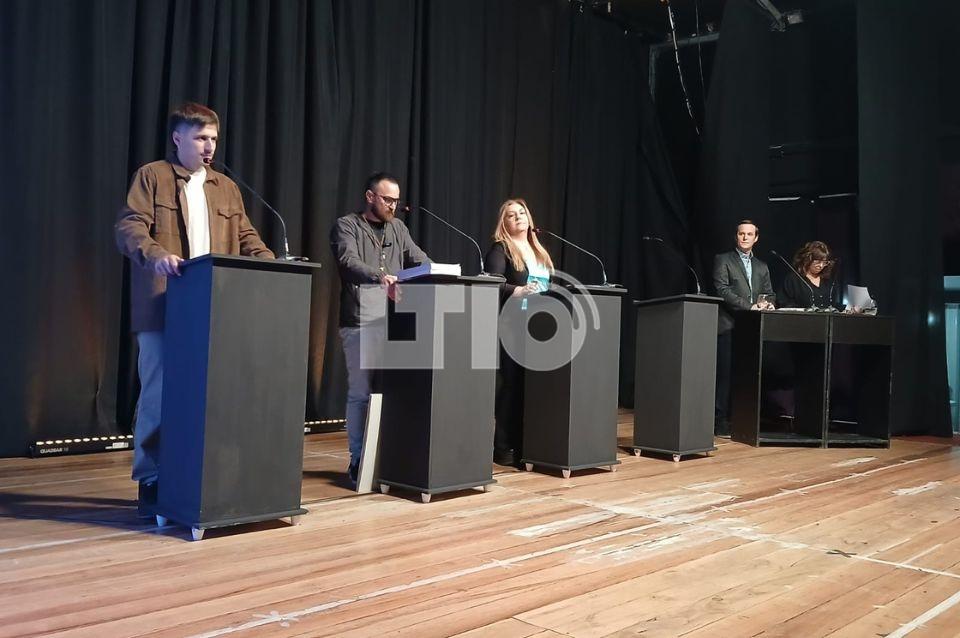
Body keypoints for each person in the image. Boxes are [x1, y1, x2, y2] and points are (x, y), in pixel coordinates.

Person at [115, 102, 275, 515]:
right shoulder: (152, 176)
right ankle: (151, 477)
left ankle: (203, 475)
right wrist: (156, 256)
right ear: (178, 138)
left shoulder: (226, 187)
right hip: (163, 301)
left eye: (213, 139)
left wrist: (272, 264)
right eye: (201, 137)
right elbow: (130, 226)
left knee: (211, 393)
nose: (209, 146)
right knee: (159, 393)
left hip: (214, 304)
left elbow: (246, 236)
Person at [330, 172, 430, 484]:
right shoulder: (347, 225)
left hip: (396, 322)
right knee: (361, 392)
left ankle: (390, 458)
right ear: (370, 197)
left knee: (396, 393)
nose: (393, 206)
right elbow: (348, 261)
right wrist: (379, 276)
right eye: (387, 199)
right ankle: (358, 459)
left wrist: (436, 272)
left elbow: (419, 260)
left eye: (396, 201)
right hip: (361, 319)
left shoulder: (398, 228)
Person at [484, 198, 554, 467]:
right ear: (504, 223)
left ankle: (528, 444)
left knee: (533, 386)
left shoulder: (539, 251)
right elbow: (492, 284)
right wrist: (518, 290)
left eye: (522, 213)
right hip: (512, 325)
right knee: (512, 385)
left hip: (539, 326)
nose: (518, 217)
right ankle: (503, 447)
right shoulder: (501, 248)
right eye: (511, 215)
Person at [712, 219, 774, 436]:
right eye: (741, 234)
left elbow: (769, 293)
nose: (745, 237)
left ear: (756, 238)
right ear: (736, 236)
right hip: (728, 325)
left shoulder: (762, 266)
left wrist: (768, 303)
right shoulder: (723, 259)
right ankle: (719, 421)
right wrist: (750, 306)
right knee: (725, 375)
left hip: (751, 327)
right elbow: (722, 290)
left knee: (747, 374)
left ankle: (741, 420)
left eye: (749, 234)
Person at [778, 240, 843, 310]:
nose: (821, 265)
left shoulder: (828, 280)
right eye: (818, 261)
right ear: (808, 259)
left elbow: (834, 305)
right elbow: (784, 303)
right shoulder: (793, 279)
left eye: (825, 262)